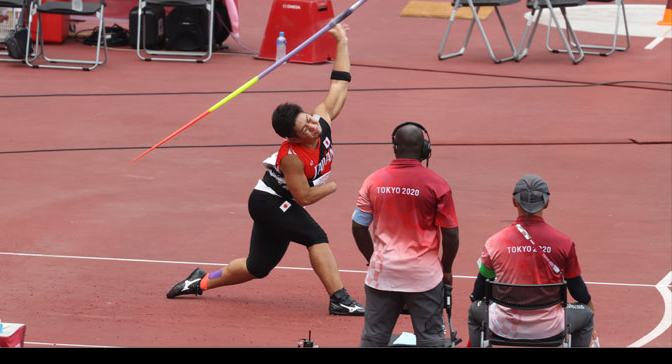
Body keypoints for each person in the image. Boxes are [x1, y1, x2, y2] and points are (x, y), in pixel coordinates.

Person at [166, 23, 364, 316]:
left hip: (277, 203)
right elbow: (305, 197)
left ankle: (200, 281)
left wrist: (343, 42)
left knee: (257, 267)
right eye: (305, 128)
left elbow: (340, 83)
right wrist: (332, 187)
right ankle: (340, 299)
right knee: (315, 236)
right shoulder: (291, 157)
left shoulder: (321, 121)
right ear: (292, 138)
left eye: (308, 119)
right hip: (269, 203)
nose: (313, 126)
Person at [351, 122, 459, 346]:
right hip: (424, 277)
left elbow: (358, 226)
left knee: (374, 338)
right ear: (424, 150)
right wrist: (446, 268)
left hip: (383, 273)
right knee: (431, 339)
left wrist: (372, 258)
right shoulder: (437, 185)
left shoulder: (374, 180)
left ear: (395, 147)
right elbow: (451, 234)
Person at [467, 174, 595, 347]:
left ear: (514, 201)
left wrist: (478, 299)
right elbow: (578, 291)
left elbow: (479, 291)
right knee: (587, 315)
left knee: (474, 311)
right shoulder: (564, 243)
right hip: (551, 328)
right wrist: (590, 307)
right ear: (547, 202)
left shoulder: (494, 242)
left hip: (505, 327)